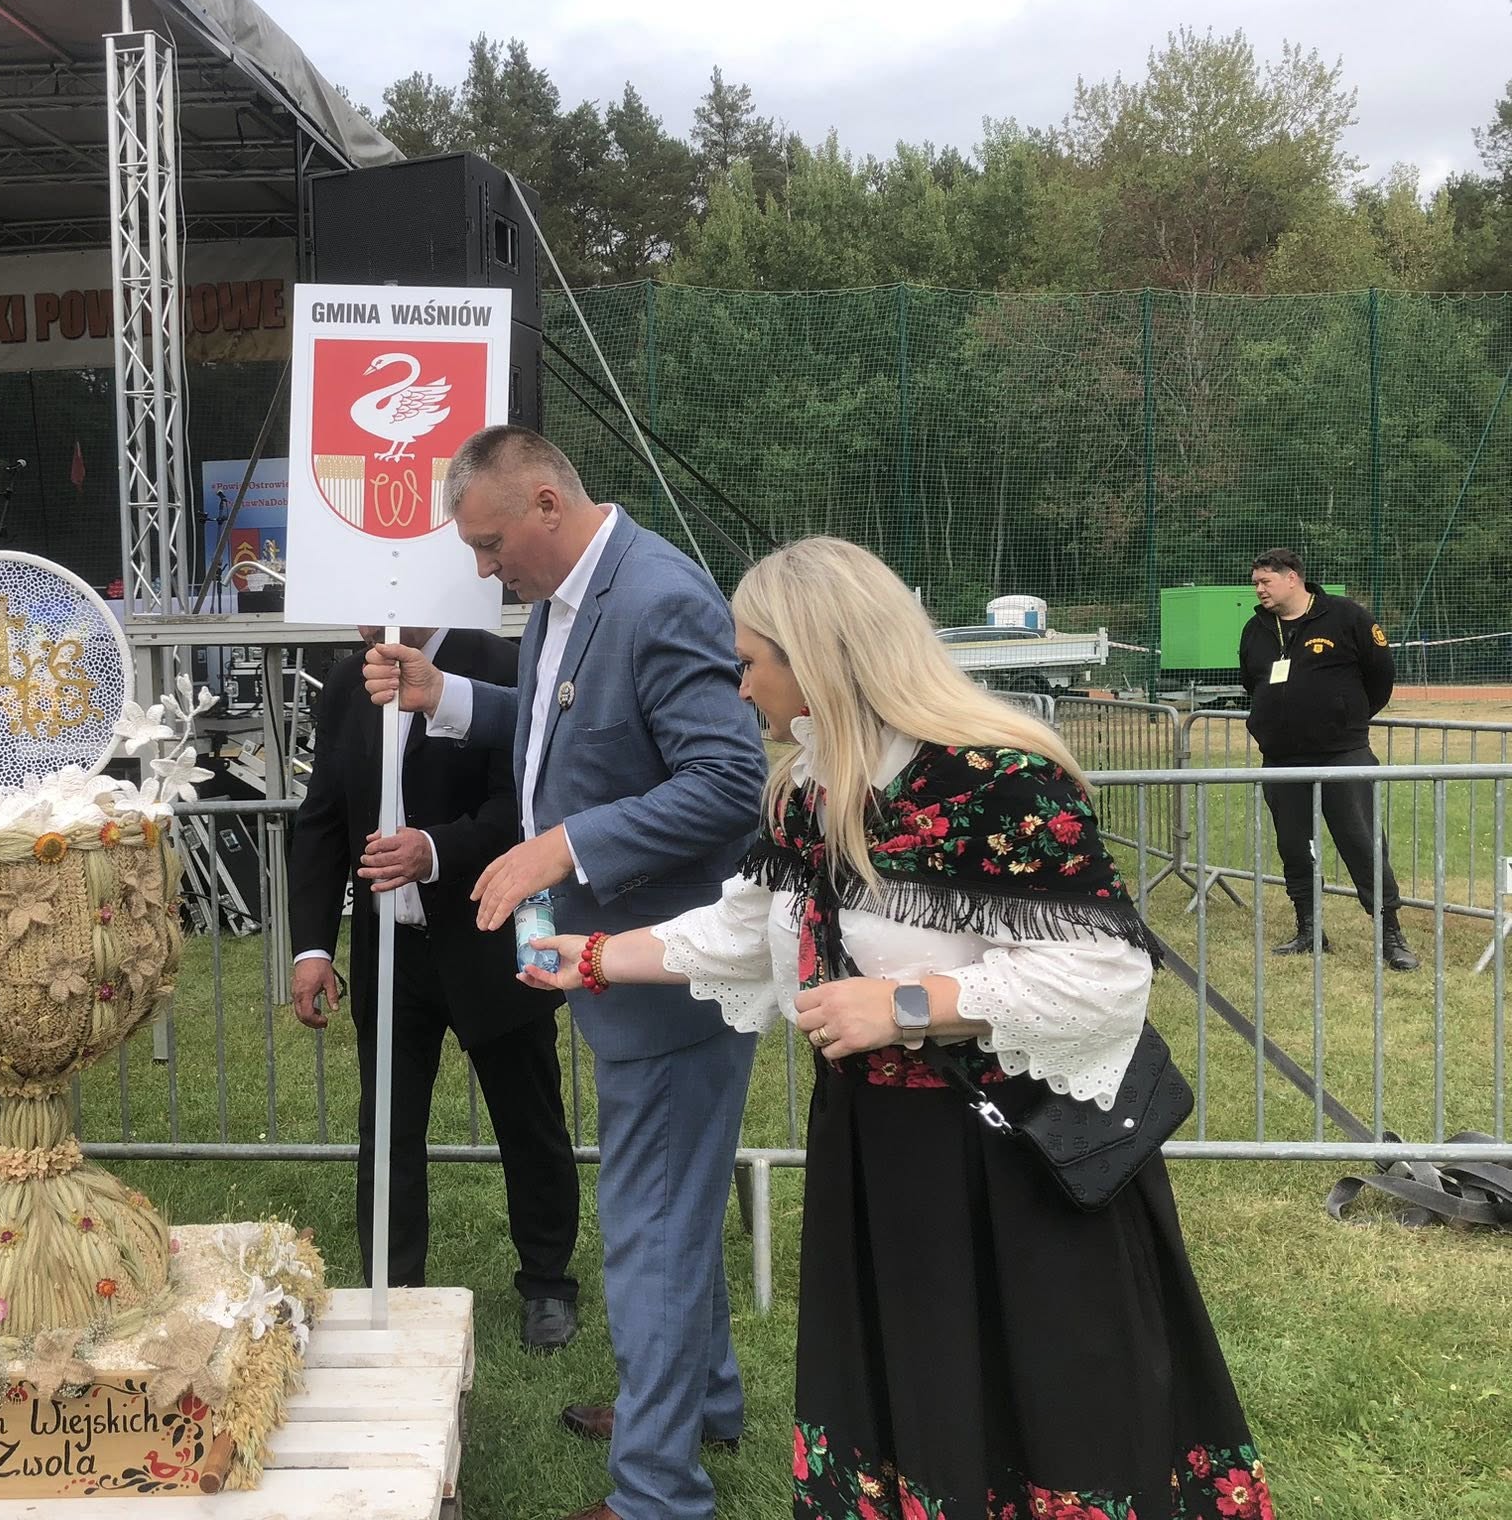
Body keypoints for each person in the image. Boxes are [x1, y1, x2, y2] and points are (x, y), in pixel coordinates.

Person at [519, 536, 1270, 1520]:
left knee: (1036, 1401)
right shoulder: (809, 787)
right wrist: (587, 957)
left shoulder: (995, 778)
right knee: (910, 1393)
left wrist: (903, 1005)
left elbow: (1102, 978)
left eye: (749, 662)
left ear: (816, 656)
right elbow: (745, 931)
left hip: (1007, 1166)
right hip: (876, 1152)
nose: (739, 688)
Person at [365, 426, 766, 1520]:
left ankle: (655, 1494)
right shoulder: (564, 594)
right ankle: (701, 1405)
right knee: (673, 1210)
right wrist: (445, 694)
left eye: (490, 545)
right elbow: (557, 728)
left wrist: (565, 846)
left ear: (547, 503)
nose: (483, 568)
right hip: (625, 970)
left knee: (647, 1230)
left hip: (671, 980)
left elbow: (728, 782)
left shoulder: (660, 597)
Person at [289, 624, 580, 1349]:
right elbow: (323, 819)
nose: (369, 617)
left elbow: (525, 804)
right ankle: (393, 1287)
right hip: (390, 951)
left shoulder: (496, 663)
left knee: (528, 1119)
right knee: (386, 1129)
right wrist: (312, 947)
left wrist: (435, 850)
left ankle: (548, 1281)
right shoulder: (347, 684)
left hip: (489, 938)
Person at [1239, 548, 1418, 970]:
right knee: (1294, 845)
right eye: (1256, 583)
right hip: (1282, 758)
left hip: (1342, 753)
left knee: (1362, 842)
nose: (1259, 590)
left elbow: (1381, 676)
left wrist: (1345, 717)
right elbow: (1252, 681)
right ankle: (1309, 928)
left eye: (1265, 581)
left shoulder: (1346, 616)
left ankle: (1390, 933)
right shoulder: (1255, 629)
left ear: (1292, 578)